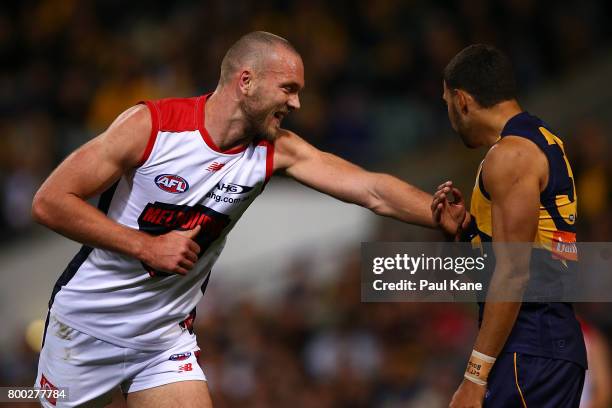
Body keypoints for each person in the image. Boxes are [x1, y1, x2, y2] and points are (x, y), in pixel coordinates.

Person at [31, 31, 437, 408]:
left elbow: (372, 190)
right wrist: (147, 245)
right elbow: (49, 201)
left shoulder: (276, 150)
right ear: (246, 81)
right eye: (288, 89)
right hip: (85, 328)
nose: (296, 103)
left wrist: (449, 218)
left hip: (163, 340)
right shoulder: (151, 127)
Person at [432, 44, 586, 408]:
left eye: (447, 104)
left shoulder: (510, 156)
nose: (450, 115)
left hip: (529, 348)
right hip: (544, 346)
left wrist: (473, 377)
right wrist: (466, 234)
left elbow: (514, 273)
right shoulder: (540, 142)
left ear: (462, 100)